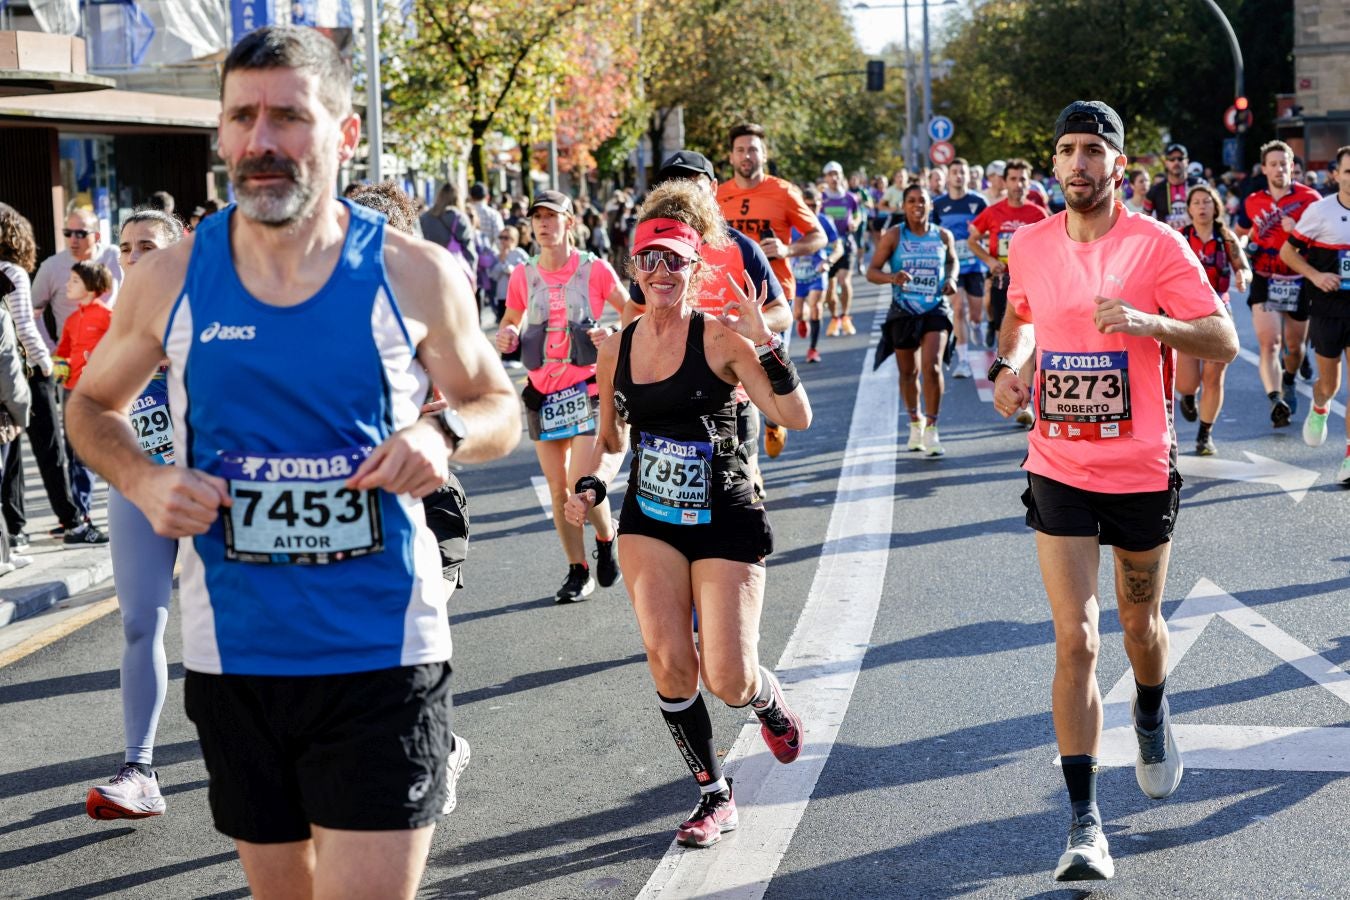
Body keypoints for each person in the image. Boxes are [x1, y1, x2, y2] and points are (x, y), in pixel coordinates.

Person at [66, 26, 520, 899]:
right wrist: (144, 478)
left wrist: (443, 436)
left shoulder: (413, 273)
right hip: (236, 658)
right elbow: (89, 408)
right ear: (223, 133)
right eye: (242, 117)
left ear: (345, 135)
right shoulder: (170, 278)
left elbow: (498, 404)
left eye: (288, 117)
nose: (261, 141)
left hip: (383, 653)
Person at [990, 100, 1238, 882]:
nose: (1078, 164)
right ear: (1054, 163)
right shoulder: (1028, 244)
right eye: (1066, 150)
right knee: (1076, 640)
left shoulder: (1157, 245)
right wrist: (1015, 367)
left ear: (1117, 164)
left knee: (1139, 628)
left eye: (1093, 150)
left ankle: (1152, 711)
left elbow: (1223, 337)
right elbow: (1021, 321)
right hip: (1057, 465)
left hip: (1138, 469)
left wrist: (1147, 323)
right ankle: (1084, 822)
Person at [564, 179, 811, 850]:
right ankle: (712, 793)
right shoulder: (617, 345)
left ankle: (764, 699)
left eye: (675, 259)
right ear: (634, 268)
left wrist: (766, 345)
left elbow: (796, 415)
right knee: (670, 660)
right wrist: (590, 483)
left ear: (696, 267)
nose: (662, 271)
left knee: (727, 674)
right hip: (653, 514)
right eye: (650, 259)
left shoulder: (726, 338)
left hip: (727, 511)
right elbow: (610, 440)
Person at [84, 208, 185, 822]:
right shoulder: (117, 327)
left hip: (214, 495)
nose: (134, 256)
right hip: (137, 490)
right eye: (125, 248)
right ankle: (140, 770)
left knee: (230, 631)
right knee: (140, 625)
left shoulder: (215, 320)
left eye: (147, 245)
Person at [624, 150, 791, 505]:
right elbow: (634, 308)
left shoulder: (740, 247)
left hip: (734, 391)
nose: (684, 195)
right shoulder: (654, 252)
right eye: (674, 186)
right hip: (671, 390)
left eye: (694, 185)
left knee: (742, 488)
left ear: (713, 189)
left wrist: (750, 327)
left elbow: (781, 312)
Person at [494, 189, 627, 602]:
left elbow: (632, 311)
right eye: (537, 218)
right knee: (557, 489)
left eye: (552, 217)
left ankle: (606, 539)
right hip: (542, 394)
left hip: (586, 388)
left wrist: (612, 335)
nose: (544, 225)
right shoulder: (523, 274)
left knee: (579, 483)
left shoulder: (595, 269)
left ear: (570, 222)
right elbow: (511, 318)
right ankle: (577, 569)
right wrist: (508, 333)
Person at [717, 123, 825, 458]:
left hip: (774, 298)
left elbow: (818, 236)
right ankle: (748, 460)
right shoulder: (717, 195)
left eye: (753, 149)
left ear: (764, 154)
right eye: (740, 150)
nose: (746, 156)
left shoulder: (784, 192)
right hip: (729, 299)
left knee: (768, 368)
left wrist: (786, 249)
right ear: (731, 155)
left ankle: (773, 417)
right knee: (730, 375)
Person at [24, 208, 117, 543]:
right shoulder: (52, 268)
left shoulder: (116, 261)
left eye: (81, 233)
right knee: (79, 447)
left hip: (115, 379)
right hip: (74, 382)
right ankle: (82, 513)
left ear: (97, 234)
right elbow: (31, 313)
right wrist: (51, 356)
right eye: (68, 233)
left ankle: (126, 505)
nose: (73, 240)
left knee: (113, 443)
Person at [1235, 140, 1323, 427]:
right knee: (1270, 343)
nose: (1279, 169)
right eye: (1273, 164)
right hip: (1265, 277)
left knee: (1295, 348)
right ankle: (1276, 400)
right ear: (1264, 169)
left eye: (1284, 163)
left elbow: (1325, 242)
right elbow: (1239, 235)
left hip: (1298, 279)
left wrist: (1297, 231)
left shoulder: (1311, 200)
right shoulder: (1253, 201)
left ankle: (1289, 379)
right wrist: (1245, 252)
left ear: (1292, 166)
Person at [867, 184, 959, 456]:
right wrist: (891, 278)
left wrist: (951, 279)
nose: (917, 205)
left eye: (922, 201)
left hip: (935, 308)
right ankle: (914, 423)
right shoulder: (894, 236)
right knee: (909, 372)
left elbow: (952, 261)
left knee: (932, 367)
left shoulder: (943, 236)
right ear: (904, 206)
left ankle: (932, 428)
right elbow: (871, 271)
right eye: (911, 201)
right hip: (903, 309)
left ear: (931, 206)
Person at [1283, 145, 1350, 483]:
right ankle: (1320, 405)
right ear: (1335, 175)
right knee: (1330, 383)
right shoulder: (1320, 212)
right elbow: (1288, 252)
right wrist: (1316, 275)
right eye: (1348, 172)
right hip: (1326, 308)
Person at [1177, 184, 1250, 455]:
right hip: (1184, 312)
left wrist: (1243, 276)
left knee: (1214, 376)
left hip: (1219, 311)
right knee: (1187, 382)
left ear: (1215, 206)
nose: (1202, 206)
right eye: (1196, 202)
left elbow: (1243, 266)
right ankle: (1187, 396)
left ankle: (1205, 434)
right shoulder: (1179, 237)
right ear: (1189, 209)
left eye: (1207, 201)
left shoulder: (1225, 237)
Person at [0, 203, 55, 552]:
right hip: (17, 374)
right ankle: (16, 533)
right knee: (29, 452)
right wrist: (46, 364)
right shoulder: (12, 273)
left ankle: (13, 534)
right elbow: (23, 328)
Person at [969, 158, 1048, 364]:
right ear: (1005, 182)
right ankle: (1005, 381)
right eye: (1013, 179)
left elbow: (1052, 245)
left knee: (1028, 335)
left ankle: (1027, 393)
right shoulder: (993, 211)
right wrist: (989, 261)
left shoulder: (1038, 213)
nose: (1018, 184)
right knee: (1004, 340)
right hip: (1001, 279)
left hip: (1030, 281)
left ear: (1029, 183)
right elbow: (972, 240)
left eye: (1023, 179)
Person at [53, 260, 114, 518]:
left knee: (87, 453)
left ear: (91, 286)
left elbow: (118, 350)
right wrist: (60, 365)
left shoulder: (107, 316)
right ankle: (81, 513)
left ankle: (90, 513)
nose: (68, 284)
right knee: (71, 452)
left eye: (74, 281)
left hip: (94, 395)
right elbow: (63, 352)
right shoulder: (70, 319)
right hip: (69, 392)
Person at [931, 158, 989, 378]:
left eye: (962, 172)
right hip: (952, 265)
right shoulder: (938, 204)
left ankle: (976, 326)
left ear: (968, 176)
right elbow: (933, 232)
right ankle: (963, 361)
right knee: (958, 308)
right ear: (948, 176)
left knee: (975, 313)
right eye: (954, 172)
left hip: (975, 264)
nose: (958, 176)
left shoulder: (979, 202)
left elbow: (988, 229)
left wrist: (977, 236)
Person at [792, 186, 841, 364]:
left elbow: (839, 247)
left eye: (815, 205)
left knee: (816, 308)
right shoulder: (793, 223)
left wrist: (828, 261)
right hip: (797, 275)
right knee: (797, 313)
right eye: (808, 205)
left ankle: (813, 349)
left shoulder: (825, 221)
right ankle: (801, 320)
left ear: (821, 204)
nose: (812, 209)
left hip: (817, 273)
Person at [821, 161, 862, 338]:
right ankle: (834, 318)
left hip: (846, 244)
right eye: (830, 175)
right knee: (830, 290)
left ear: (841, 176)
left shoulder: (850, 197)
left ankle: (845, 316)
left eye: (836, 174)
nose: (834, 178)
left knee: (844, 281)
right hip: (828, 248)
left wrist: (855, 222)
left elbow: (858, 214)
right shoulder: (821, 198)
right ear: (826, 178)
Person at [420, 183, 479, 286]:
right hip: (455, 273)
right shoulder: (459, 217)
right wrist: (472, 275)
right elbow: (469, 250)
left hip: (430, 270)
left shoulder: (425, 217)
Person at [1144, 143, 1203, 230]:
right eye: (1172, 159)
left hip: (1194, 240)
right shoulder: (1155, 190)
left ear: (1187, 161)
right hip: (1167, 241)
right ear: (1166, 163)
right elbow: (1145, 221)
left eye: (1180, 158)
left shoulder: (1199, 185)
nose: (1176, 162)